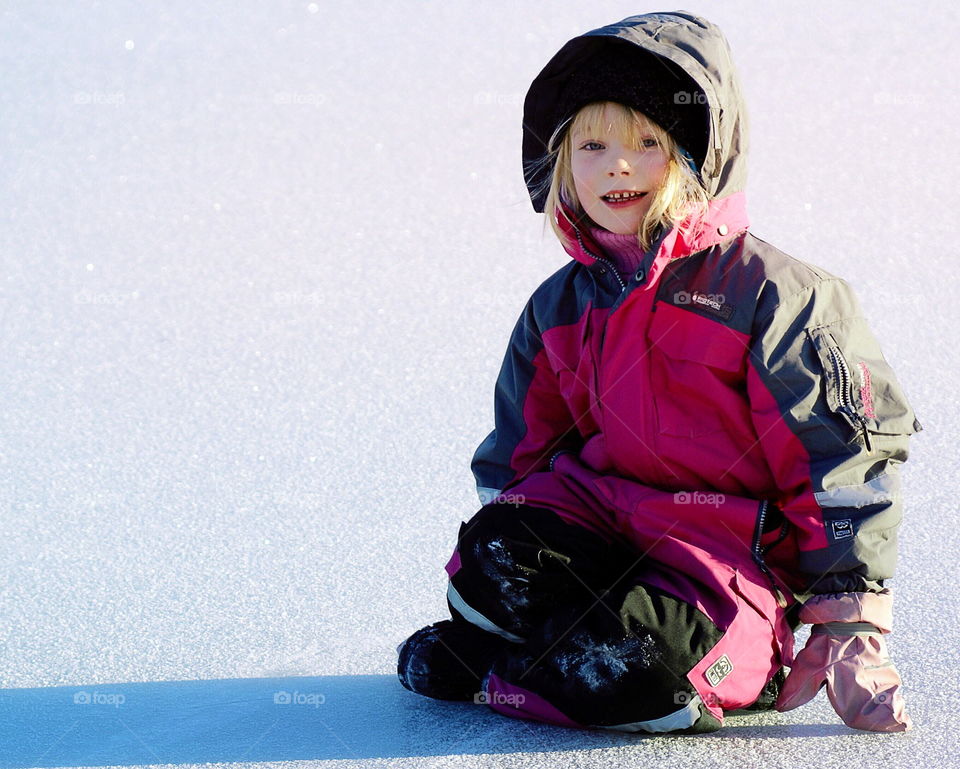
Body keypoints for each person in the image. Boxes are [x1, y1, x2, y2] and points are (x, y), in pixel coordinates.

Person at [396, 11, 921, 734]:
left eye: (648, 143)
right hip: (601, 524)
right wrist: (503, 553)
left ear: (698, 156)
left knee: (642, 670)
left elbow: (840, 457)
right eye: (593, 143)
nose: (618, 164)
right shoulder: (562, 305)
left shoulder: (773, 295)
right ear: (560, 164)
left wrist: (847, 618)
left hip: (723, 561)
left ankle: (525, 670)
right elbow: (526, 454)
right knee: (490, 556)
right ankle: (539, 641)